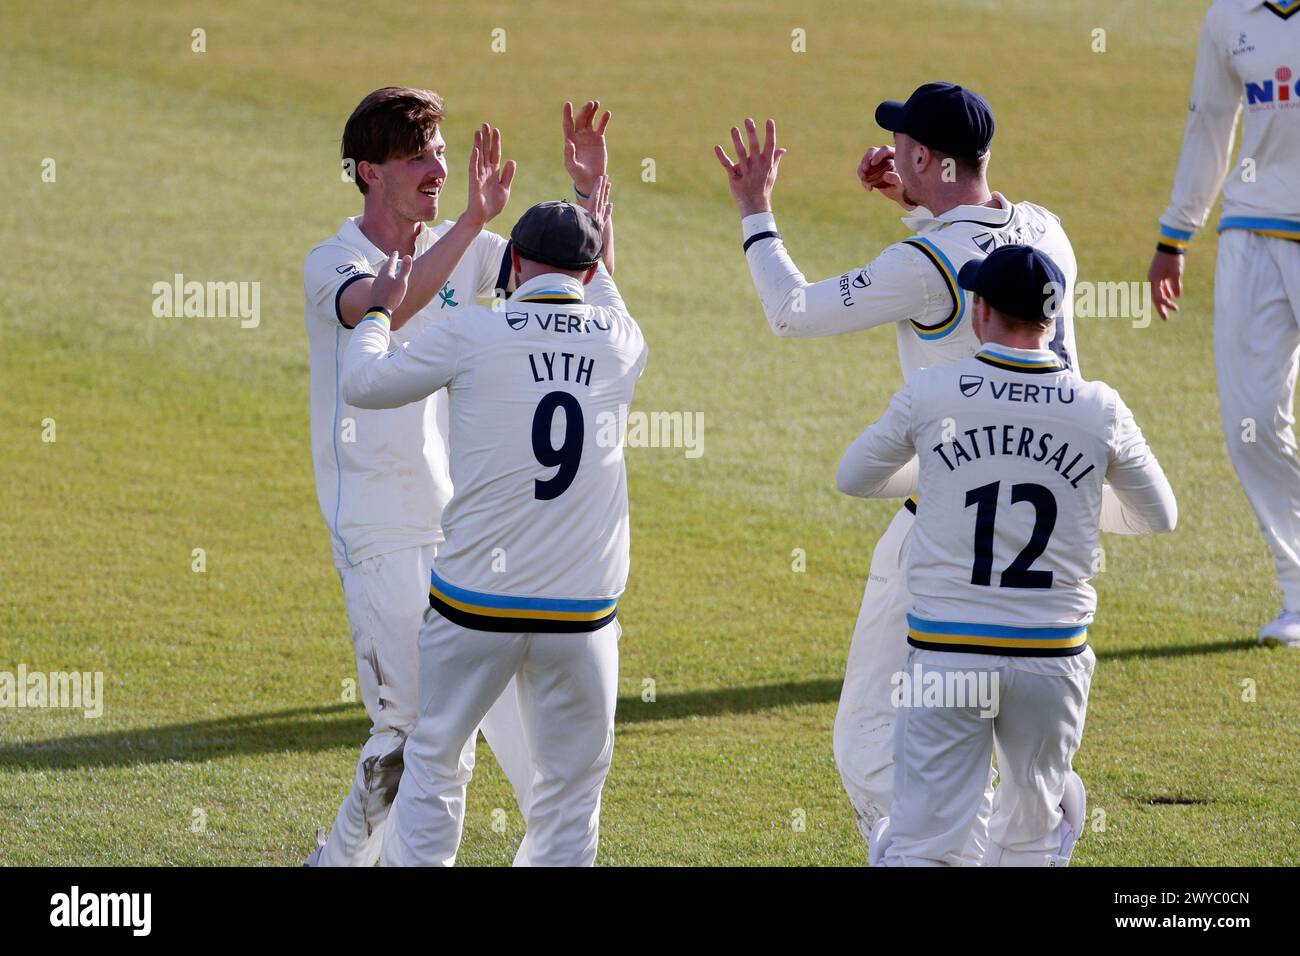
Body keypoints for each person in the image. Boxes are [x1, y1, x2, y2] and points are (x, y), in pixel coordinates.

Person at [714, 82, 1097, 861]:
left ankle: (936, 851)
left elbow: (796, 312)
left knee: (867, 740)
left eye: (903, 147)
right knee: (1007, 726)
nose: (890, 152)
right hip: (1055, 535)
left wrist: (757, 211)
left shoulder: (926, 261)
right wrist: (923, 200)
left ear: (928, 155)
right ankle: (1036, 820)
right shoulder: (1047, 232)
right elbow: (977, 252)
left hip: (946, 535)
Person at [302, 86, 613, 865]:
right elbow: (380, 307)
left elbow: (566, 276)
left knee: (524, 755)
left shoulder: (469, 249)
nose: (437, 168)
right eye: (418, 156)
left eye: (440, 151)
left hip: (463, 532)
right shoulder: (332, 261)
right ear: (370, 171)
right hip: (376, 522)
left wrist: (585, 195)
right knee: (410, 732)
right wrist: (472, 222)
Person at [838, 245, 1177, 865]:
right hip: (1051, 660)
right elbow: (1160, 514)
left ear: (982, 310)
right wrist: (1075, 495)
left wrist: (943, 480)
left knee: (924, 845)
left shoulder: (934, 391)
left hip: (949, 657)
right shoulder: (1100, 405)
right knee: (1029, 843)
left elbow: (853, 475)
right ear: (1053, 319)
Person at [341, 184, 647, 866]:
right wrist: (594, 199)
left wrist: (381, 311)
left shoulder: (471, 333)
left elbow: (363, 383)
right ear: (590, 274)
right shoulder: (624, 342)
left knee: (434, 762)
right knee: (570, 793)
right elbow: (603, 291)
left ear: (512, 267)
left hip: (475, 606)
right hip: (584, 616)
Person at [1147, 0, 1300, 646]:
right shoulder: (1227, 16)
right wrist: (1176, 232)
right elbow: (1209, 119)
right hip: (1253, 232)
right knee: (1253, 424)